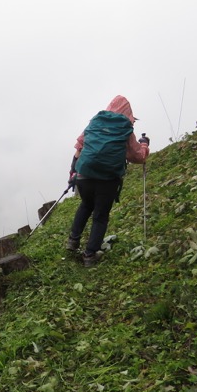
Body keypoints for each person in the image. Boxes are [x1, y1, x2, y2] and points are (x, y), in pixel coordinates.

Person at [65, 95, 149, 267]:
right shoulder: (125, 129)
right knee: (100, 216)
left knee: (86, 205)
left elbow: (79, 148)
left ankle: (72, 241)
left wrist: (73, 173)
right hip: (107, 179)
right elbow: (137, 156)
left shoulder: (94, 122)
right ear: (128, 113)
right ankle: (89, 255)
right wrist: (144, 145)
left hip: (84, 175)